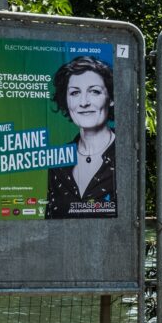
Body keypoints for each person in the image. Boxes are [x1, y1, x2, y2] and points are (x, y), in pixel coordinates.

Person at [46, 56, 117, 218]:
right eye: (75, 93)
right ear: (66, 100)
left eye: (94, 91)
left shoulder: (128, 152)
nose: (84, 102)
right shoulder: (58, 160)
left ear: (111, 98)